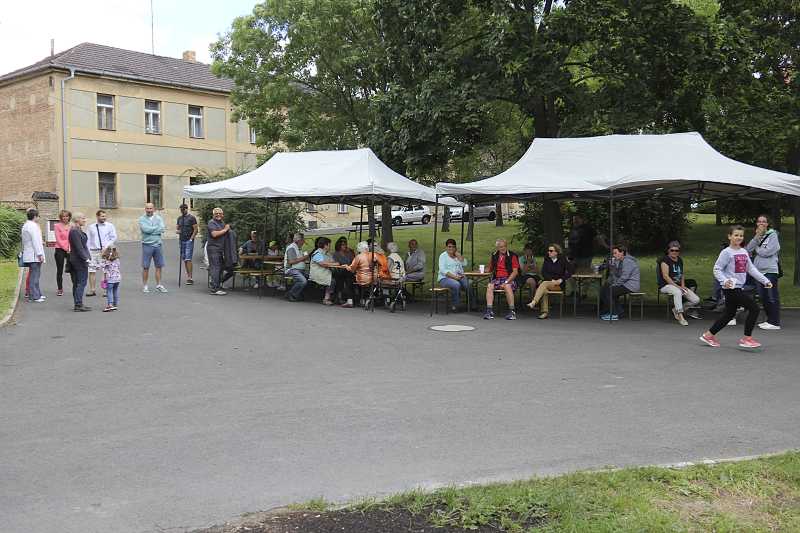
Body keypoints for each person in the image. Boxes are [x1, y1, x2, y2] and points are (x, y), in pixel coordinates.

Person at [701, 225, 773, 349]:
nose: (739, 237)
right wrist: (724, 281)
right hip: (731, 288)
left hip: (738, 288)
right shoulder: (726, 252)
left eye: (741, 235)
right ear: (730, 236)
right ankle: (747, 338)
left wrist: (765, 281)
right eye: (736, 235)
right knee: (754, 308)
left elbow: (751, 269)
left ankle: (708, 335)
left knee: (729, 314)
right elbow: (717, 269)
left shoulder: (744, 252)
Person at [746, 214, 781, 330]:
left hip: (770, 271)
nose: (761, 223)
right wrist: (757, 237)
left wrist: (757, 248)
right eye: (759, 221)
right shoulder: (758, 236)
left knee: (772, 296)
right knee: (763, 296)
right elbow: (748, 249)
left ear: (767, 224)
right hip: (758, 272)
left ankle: (775, 322)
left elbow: (767, 252)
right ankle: (769, 320)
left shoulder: (773, 235)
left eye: (763, 221)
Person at [657, 240, 701, 326]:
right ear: (668, 250)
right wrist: (678, 287)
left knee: (696, 300)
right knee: (677, 292)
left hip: (678, 285)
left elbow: (682, 274)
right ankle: (680, 317)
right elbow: (665, 276)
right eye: (672, 250)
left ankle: (675, 310)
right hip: (666, 285)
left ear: (679, 251)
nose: (674, 252)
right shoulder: (665, 260)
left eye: (676, 250)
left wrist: (683, 285)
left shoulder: (680, 260)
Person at [527, 243, 571, 319]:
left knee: (543, 284)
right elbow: (543, 272)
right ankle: (544, 312)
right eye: (548, 251)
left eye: (551, 251)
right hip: (549, 282)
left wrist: (561, 279)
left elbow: (570, 271)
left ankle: (534, 302)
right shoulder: (547, 259)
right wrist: (551, 280)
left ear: (556, 252)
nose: (549, 252)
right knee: (544, 289)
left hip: (558, 284)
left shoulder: (562, 260)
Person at [599, 244, 640, 320]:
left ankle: (614, 314)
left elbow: (624, 277)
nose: (614, 255)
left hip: (630, 285)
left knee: (609, 291)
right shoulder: (621, 261)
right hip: (624, 284)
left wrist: (615, 284)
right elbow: (617, 275)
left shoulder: (628, 261)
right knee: (604, 289)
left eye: (615, 253)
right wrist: (613, 267)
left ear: (622, 252)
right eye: (613, 253)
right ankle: (619, 311)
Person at [483, 239, 520, 320]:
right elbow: (490, 269)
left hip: (509, 278)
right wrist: (481, 270)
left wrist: (506, 282)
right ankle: (489, 311)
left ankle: (512, 312)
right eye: (500, 247)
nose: (503, 248)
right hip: (498, 279)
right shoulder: (494, 255)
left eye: (504, 246)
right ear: (497, 248)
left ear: (506, 246)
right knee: (489, 286)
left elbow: (515, 272)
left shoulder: (512, 255)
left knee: (507, 286)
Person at [86, 209, 117, 297]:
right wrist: (88, 252)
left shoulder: (110, 226)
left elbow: (113, 237)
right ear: (97, 216)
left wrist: (106, 246)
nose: (104, 218)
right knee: (91, 270)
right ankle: (92, 290)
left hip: (105, 251)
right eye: (102, 216)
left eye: (105, 216)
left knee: (105, 271)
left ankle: (105, 290)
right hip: (93, 251)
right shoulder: (91, 227)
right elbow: (88, 240)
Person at [207, 207, 237, 295]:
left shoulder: (222, 223)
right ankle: (214, 289)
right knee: (215, 268)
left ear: (223, 215)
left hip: (220, 250)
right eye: (216, 213)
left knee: (220, 268)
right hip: (213, 249)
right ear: (213, 215)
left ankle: (217, 285)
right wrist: (225, 229)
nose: (218, 215)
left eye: (220, 213)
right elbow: (214, 234)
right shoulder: (211, 222)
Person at [139, 203, 167, 293]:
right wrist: (156, 229)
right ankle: (145, 286)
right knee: (146, 266)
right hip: (147, 245)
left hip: (158, 245)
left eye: (150, 208)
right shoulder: (142, 219)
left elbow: (162, 229)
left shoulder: (158, 218)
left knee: (159, 266)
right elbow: (145, 230)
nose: (149, 210)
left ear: (154, 209)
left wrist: (151, 230)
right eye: (147, 208)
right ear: (145, 209)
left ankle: (159, 285)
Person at [21, 208, 46, 303]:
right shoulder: (33, 226)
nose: (39, 218)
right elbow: (36, 241)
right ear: (35, 216)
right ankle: (34, 296)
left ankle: (37, 294)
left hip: (30, 253)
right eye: (38, 216)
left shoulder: (26, 225)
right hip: (34, 254)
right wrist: (40, 254)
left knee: (34, 275)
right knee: (34, 276)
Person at [437, 238, 469, 312]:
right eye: (449, 246)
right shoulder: (443, 256)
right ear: (446, 247)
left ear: (455, 247)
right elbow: (443, 270)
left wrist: (459, 256)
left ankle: (472, 305)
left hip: (459, 276)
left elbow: (465, 264)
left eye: (453, 247)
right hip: (445, 278)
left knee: (469, 283)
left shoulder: (457, 255)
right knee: (456, 284)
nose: (451, 248)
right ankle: (455, 306)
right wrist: (454, 277)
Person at [68, 213, 91, 311]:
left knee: (77, 282)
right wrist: (86, 258)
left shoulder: (77, 230)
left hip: (77, 259)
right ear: (77, 219)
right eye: (83, 218)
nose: (85, 220)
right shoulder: (74, 231)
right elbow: (79, 248)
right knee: (81, 282)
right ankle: (78, 304)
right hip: (78, 260)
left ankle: (78, 303)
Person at [310, 237, 342, 305]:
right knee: (332, 280)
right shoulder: (317, 253)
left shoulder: (327, 253)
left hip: (325, 272)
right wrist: (335, 264)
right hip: (318, 273)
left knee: (340, 277)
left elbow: (333, 261)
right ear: (325, 245)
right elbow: (323, 264)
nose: (330, 246)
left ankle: (337, 297)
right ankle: (326, 298)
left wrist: (334, 263)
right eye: (329, 245)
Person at [176, 204, 198, 285]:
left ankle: (190, 278)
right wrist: (178, 231)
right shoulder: (179, 218)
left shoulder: (192, 218)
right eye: (181, 210)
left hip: (189, 240)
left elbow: (196, 229)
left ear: (186, 209)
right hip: (181, 240)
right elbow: (177, 228)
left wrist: (191, 239)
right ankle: (188, 275)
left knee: (188, 258)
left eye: (183, 209)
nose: (182, 211)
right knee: (185, 258)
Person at [284, 233, 309, 302]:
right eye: (303, 240)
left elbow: (303, 258)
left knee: (311, 277)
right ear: (299, 240)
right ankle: (291, 294)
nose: (304, 241)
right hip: (291, 269)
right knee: (303, 281)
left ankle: (298, 294)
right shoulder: (291, 248)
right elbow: (291, 261)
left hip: (300, 270)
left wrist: (305, 256)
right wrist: (304, 257)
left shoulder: (300, 248)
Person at [53, 210, 73, 296]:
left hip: (70, 249)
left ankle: (75, 287)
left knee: (72, 269)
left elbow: (72, 238)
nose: (65, 218)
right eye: (63, 216)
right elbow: (58, 239)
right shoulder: (57, 226)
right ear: (61, 217)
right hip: (60, 249)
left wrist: (69, 248)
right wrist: (65, 248)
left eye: (67, 216)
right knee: (59, 270)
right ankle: (60, 288)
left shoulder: (72, 226)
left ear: (69, 217)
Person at [100, 246, 121, 312]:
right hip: (117, 278)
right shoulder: (117, 260)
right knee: (115, 291)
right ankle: (115, 304)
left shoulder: (106, 261)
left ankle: (110, 305)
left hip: (110, 279)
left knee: (109, 291)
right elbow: (119, 266)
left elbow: (102, 267)